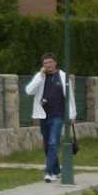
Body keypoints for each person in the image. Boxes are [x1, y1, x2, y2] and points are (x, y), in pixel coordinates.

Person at [25, 53, 77, 182]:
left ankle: (48, 172)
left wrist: (72, 114)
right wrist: (40, 76)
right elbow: (29, 91)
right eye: (45, 63)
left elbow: (70, 97)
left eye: (50, 62)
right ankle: (56, 171)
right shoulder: (40, 76)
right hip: (43, 115)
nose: (48, 65)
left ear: (55, 63)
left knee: (53, 142)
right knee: (47, 145)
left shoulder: (63, 76)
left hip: (58, 115)